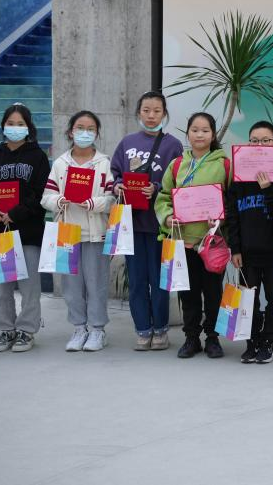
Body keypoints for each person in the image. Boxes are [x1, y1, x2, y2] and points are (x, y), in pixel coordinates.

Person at [155, 112, 233, 359]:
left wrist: (221, 217)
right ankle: (191, 338)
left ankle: (212, 338)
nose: (200, 135)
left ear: (213, 134)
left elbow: (232, 199)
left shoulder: (224, 164)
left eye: (205, 130)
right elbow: (163, 196)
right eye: (195, 130)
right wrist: (167, 216)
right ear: (187, 133)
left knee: (213, 293)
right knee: (187, 294)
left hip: (211, 244)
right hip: (184, 242)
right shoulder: (177, 165)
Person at [110, 91, 183, 351]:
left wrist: (156, 188)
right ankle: (142, 329)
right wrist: (117, 186)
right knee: (137, 281)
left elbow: (178, 181)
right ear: (138, 113)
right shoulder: (127, 142)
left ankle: (161, 329)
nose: (151, 116)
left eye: (157, 111)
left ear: (164, 114)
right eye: (146, 110)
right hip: (131, 224)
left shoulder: (173, 145)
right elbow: (114, 174)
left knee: (159, 280)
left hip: (159, 225)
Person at [0, 104, 50, 353]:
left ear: (28, 128)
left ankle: (26, 330)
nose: (15, 128)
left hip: (27, 231)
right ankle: (6, 329)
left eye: (20, 124)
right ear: (3, 126)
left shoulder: (37, 157)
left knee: (29, 286)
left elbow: (40, 193)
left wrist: (15, 213)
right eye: (10, 123)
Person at [42, 111, 115, 352]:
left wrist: (95, 203)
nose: (85, 133)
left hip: (95, 232)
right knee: (71, 286)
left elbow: (112, 197)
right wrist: (59, 201)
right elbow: (46, 196)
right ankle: (79, 328)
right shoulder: (60, 164)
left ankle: (97, 330)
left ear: (97, 133)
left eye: (90, 128)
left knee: (96, 284)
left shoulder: (104, 163)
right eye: (80, 127)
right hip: (67, 234)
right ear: (71, 131)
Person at [226, 120, 273, 364]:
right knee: (248, 300)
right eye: (254, 141)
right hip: (247, 253)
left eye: (265, 141)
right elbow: (232, 215)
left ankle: (268, 339)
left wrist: (268, 189)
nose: (259, 145)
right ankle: (251, 341)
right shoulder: (239, 178)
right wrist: (235, 248)